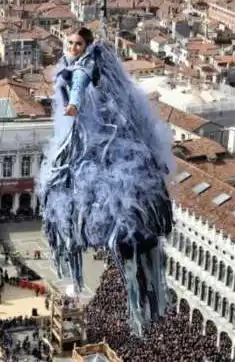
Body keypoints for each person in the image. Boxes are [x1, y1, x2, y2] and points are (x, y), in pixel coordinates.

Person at [36, 26, 175, 336]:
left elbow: (79, 87)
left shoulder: (83, 69)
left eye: (78, 43)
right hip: (83, 131)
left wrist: (73, 105)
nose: (72, 47)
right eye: (70, 42)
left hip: (87, 129)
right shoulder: (71, 65)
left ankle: (138, 298)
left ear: (87, 46)